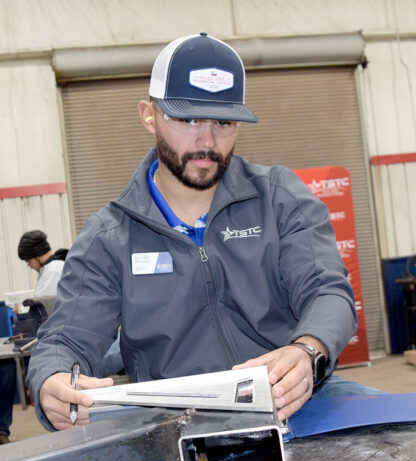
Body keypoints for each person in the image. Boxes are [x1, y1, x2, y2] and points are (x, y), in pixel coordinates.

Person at [27, 32, 380, 433]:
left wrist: (307, 351)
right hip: (177, 423)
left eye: (224, 122)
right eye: (188, 118)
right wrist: (51, 381)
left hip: (293, 400)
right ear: (148, 115)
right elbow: (67, 339)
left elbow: (327, 290)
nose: (207, 141)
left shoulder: (280, 197)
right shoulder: (109, 238)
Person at [0, 231, 67, 444]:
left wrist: (21, 308)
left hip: (59, 339)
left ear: (36, 257)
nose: (29, 265)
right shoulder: (53, 267)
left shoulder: (53, 270)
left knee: (8, 366)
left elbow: (42, 307)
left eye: (29, 261)